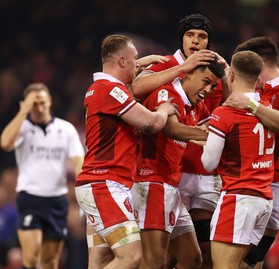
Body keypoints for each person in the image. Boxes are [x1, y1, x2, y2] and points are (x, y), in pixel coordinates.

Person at [133, 13, 228, 268]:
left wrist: (227, 76)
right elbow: (137, 90)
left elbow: (218, 111)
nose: (196, 41)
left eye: (202, 36)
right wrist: (213, 136)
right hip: (153, 179)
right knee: (155, 259)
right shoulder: (167, 79)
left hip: (177, 180)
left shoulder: (200, 91)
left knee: (194, 257)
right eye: (190, 35)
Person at [74, 34, 177, 269]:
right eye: (135, 60)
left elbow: (127, 79)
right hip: (104, 185)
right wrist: (164, 108)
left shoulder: (99, 88)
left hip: (99, 185)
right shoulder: (110, 90)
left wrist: (142, 62)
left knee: (101, 260)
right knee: (131, 256)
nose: (137, 65)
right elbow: (152, 124)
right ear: (122, 61)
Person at [223, 36, 279, 269]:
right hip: (261, 185)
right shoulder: (259, 94)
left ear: (260, 65)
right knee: (249, 259)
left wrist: (252, 105)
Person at [200, 50, 274, 269]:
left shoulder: (225, 113)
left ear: (230, 75)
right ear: (258, 78)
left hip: (239, 199)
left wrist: (206, 143)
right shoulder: (267, 108)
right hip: (264, 201)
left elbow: (209, 163)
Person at [0, 82, 85, 269]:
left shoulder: (66, 129)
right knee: (30, 259)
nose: (39, 107)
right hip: (30, 199)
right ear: (26, 104)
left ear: (50, 101)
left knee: (51, 261)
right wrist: (23, 113)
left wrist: (83, 196)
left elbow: (79, 165)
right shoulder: (22, 129)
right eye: (34, 103)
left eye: (42, 102)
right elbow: (5, 143)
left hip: (57, 200)